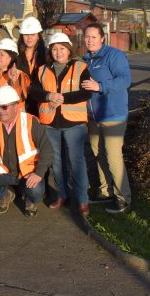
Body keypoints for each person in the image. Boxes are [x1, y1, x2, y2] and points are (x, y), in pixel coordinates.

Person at [29, 32, 93, 216]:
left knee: (76, 162)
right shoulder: (42, 69)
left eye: (62, 49)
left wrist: (62, 98)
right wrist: (49, 96)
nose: (58, 52)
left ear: (68, 50)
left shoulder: (80, 67)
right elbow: (33, 91)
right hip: (50, 123)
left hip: (74, 123)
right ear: (50, 51)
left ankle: (82, 201)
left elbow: (86, 93)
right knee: (56, 163)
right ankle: (62, 195)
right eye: (55, 49)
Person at [0, 86, 53, 217]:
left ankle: (30, 200)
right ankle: (5, 196)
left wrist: (38, 173)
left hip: (28, 172)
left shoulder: (30, 122)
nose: (0, 111)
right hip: (3, 170)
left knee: (36, 191)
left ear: (16, 106)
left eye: (4, 107)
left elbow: (47, 149)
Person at [82, 23, 132, 213]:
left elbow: (125, 80)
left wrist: (100, 86)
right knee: (98, 153)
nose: (89, 40)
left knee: (113, 156)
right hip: (93, 117)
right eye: (87, 36)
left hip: (113, 115)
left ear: (103, 38)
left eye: (94, 37)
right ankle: (105, 191)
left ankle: (123, 198)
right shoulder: (86, 59)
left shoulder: (114, 55)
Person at [0, 38, 31, 119]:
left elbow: (21, 97)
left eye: (2, 54)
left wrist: (14, 81)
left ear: (11, 57)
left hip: (9, 123)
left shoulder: (18, 74)